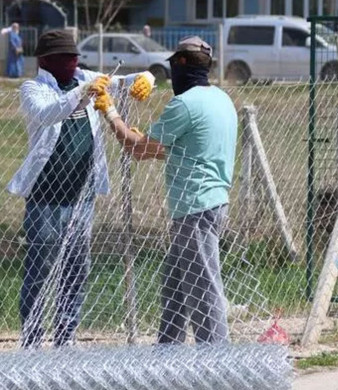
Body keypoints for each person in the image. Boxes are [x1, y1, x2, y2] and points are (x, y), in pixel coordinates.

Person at [7, 29, 155, 348]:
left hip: (82, 194)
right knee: (41, 269)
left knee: (76, 267)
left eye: (75, 58)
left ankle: (66, 336)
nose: (73, 63)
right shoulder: (33, 88)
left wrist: (147, 77)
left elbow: (123, 82)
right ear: (46, 61)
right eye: (66, 58)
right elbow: (48, 114)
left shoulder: (83, 77)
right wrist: (83, 92)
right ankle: (31, 340)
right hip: (46, 196)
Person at [94, 36, 237, 345]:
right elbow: (176, 150)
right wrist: (141, 140)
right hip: (213, 203)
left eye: (174, 64)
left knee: (203, 291)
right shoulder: (221, 99)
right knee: (174, 286)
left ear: (182, 64)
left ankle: (218, 363)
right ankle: (167, 355)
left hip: (194, 209)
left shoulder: (185, 104)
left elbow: (140, 152)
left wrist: (112, 114)